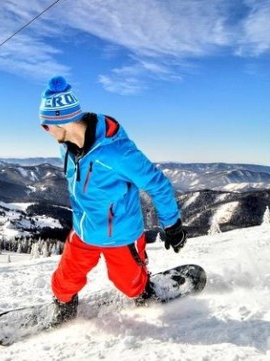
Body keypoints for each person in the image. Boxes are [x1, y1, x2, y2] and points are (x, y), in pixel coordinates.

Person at [38, 76, 187, 324]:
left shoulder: (117, 152)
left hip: (120, 234)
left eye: (46, 125)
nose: (45, 130)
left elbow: (157, 183)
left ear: (62, 120)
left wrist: (172, 224)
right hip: (84, 230)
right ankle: (64, 307)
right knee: (64, 281)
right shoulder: (66, 145)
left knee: (129, 285)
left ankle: (144, 291)